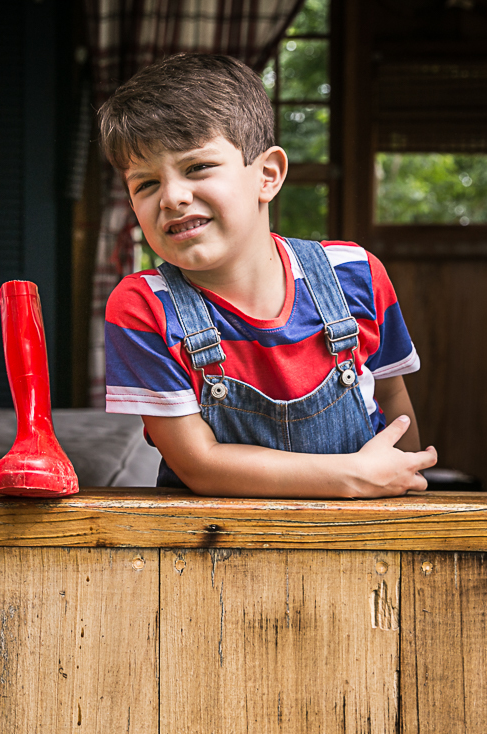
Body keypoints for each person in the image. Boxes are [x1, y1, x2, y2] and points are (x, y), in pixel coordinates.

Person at [99, 53, 437, 498]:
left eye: (197, 167)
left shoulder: (354, 274)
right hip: (211, 552)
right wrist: (352, 476)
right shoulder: (142, 306)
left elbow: (393, 401)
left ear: (268, 175)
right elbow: (199, 464)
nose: (173, 197)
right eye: (145, 184)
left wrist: (404, 492)